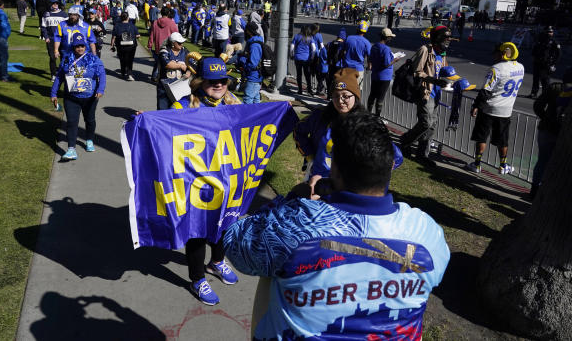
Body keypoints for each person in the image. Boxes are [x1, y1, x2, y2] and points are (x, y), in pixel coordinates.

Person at [223, 110, 449, 340]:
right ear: (389, 167)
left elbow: (236, 244)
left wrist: (290, 200)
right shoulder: (428, 233)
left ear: (335, 169)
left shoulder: (296, 225)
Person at [169, 57, 241, 306]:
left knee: (224, 223)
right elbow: (164, 130)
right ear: (200, 81)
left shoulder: (235, 103)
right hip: (195, 182)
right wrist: (145, 121)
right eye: (213, 81)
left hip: (226, 178)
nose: (219, 85)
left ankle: (217, 262)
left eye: (223, 80)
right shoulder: (182, 106)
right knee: (197, 231)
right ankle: (197, 278)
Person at [465, 42, 525, 175]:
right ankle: (503, 165)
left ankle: (477, 164)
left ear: (503, 54)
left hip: (489, 108)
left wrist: (476, 106)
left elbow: (486, 90)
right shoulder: (521, 67)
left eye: (497, 53)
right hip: (506, 110)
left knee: (482, 137)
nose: (494, 56)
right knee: (503, 140)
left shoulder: (496, 69)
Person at [399, 25, 451, 168]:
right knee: (425, 123)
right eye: (445, 39)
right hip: (425, 93)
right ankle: (405, 141)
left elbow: (443, 71)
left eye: (449, 39)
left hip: (437, 94)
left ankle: (423, 154)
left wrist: (454, 79)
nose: (448, 42)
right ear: (437, 38)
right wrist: (434, 80)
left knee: (432, 126)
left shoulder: (443, 54)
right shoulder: (425, 50)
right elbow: (417, 72)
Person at [50, 33, 106, 160]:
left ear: (85, 46)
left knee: (90, 120)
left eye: (82, 46)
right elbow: (59, 77)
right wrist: (53, 93)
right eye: (77, 46)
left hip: (90, 97)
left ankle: (90, 140)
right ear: (73, 47)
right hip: (71, 97)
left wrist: (100, 89)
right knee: (72, 122)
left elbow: (102, 74)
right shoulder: (66, 59)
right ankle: (71, 149)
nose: (80, 48)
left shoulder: (93, 59)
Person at [530, 67, 572, 199]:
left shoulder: (555, 88)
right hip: (562, 133)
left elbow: (538, 106)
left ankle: (534, 189)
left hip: (546, 130)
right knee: (558, 164)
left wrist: (546, 118)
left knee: (542, 161)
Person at [367, 28, 398, 118]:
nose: (391, 39)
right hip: (384, 77)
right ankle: (377, 116)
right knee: (380, 97)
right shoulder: (386, 49)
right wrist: (395, 60)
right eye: (390, 37)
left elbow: (370, 58)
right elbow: (386, 64)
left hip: (375, 75)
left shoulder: (374, 46)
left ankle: (368, 113)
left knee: (372, 94)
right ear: (387, 38)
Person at [148, 7, 178, 83]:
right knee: (167, 62)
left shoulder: (155, 22)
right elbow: (176, 34)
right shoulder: (171, 23)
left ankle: (154, 76)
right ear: (168, 13)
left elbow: (152, 34)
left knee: (158, 61)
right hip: (168, 46)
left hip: (158, 45)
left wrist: (150, 44)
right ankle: (161, 77)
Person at [530, 26, 561, 99]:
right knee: (535, 79)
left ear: (553, 33)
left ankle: (545, 95)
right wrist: (534, 58)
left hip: (547, 64)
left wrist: (554, 64)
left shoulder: (554, 42)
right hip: (537, 62)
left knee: (545, 81)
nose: (549, 33)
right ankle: (533, 93)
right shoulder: (540, 40)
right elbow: (535, 50)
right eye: (548, 32)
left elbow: (558, 55)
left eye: (550, 32)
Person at [41, 0, 68, 80]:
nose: (55, 5)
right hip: (51, 39)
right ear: (51, 4)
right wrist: (46, 37)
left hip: (62, 39)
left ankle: (63, 73)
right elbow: (43, 27)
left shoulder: (64, 14)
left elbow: (67, 27)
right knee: (53, 57)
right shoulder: (46, 14)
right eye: (53, 3)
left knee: (63, 57)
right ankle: (53, 74)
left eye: (56, 3)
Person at [237, 21, 264, 104]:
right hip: (255, 76)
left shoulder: (254, 45)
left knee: (247, 100)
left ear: (248, 31)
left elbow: (253, 64)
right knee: (256, 100)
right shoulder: (253, 42)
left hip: (254, 76)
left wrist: (242, 60)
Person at [340, 20, 371, 91]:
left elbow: (341, 52)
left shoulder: (349, 38)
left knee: (345, 89)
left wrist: (342, 62)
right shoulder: (367, 43)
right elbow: (369, 58)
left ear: (357, 28)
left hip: (346, 68)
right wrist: (369, 68)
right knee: (356, 90)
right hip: (358, 69)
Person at [110, 12, 140, 81]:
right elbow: (138, 35)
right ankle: (129, 74)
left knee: (122, 59)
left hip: (120, 46)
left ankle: (123, 72)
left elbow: (113, 37)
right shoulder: (132, 26)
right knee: (130, 60)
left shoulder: (117, 26)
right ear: (128, 18)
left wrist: (112, 45)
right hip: (131, 46)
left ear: (121, 18)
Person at [290, 25, 316, 95]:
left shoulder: (297, 36)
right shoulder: (310, 38)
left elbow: (292, 47)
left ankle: (300, 89)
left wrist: (292, 55)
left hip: (298, 58)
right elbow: (314, 48)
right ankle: (309, 89)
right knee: (307, 74)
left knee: (299, 74)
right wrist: (312, 57)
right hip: (306, 59)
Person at [325, 28, 347, 100]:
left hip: (331, 64)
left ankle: (329, 94)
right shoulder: (343, 45)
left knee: (330, 80)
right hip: (339, 65)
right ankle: (336, 96)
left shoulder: (331, 43)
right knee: (339, 82)